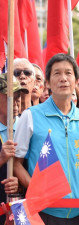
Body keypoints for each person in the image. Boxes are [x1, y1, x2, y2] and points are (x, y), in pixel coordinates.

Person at [13, 53, 79, 225]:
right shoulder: (30, 116)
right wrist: (37, 190)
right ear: (48, 83)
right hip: (44, 212)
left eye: (68, 73)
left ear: (75, 81)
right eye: (57, 73)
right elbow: (16, 163)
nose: (63, 78)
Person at [0, 73, 26, 224]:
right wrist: (1, 159)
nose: (16, 101)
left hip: (22, 212)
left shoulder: (27, 128)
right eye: (10, 96)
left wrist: (21, 185)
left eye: (19, 95)